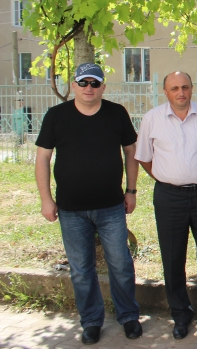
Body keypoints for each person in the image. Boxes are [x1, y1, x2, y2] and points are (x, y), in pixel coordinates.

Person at [34, 63, 141, 345]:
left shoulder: (116, 113)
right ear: (74, 85)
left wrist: (131, 190)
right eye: (83, 83)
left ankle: (129, 316)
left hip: (111, 207)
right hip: (71, 210)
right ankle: (91, 321)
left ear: (103, 87)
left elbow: (131, 151)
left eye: (95, 83)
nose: (88, 88)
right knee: (81, 270)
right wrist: (46, 199)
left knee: (121, 264)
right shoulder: (56, 116)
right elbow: (42, 158)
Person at [135, 71, 197, 339]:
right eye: (175, 88)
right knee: (173, 256)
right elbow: (144, 157)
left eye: (185, 87)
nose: (181, 92)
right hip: (169, 197)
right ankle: (180, 315)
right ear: (165, 92)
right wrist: (167, 178)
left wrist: (192, 174)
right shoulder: (152, 119)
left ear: (192, 88)